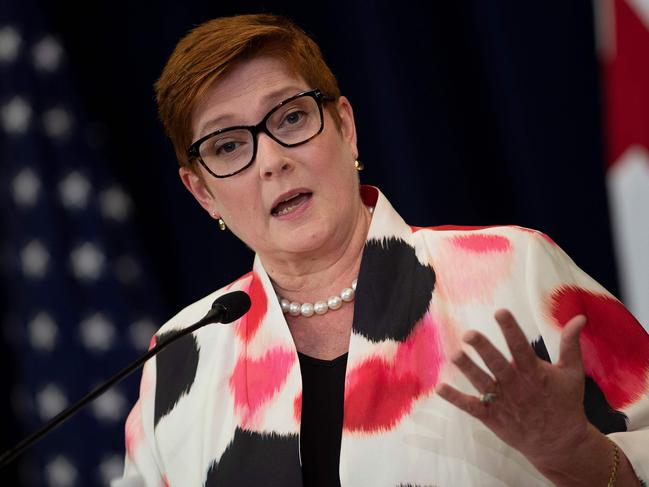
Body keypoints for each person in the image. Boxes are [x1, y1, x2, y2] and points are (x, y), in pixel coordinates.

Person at [118, 13, 649, 487]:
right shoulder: (181, 359)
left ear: (345, 128)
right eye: (228, 145)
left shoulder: (513, 269)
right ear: (203, 192)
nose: (271, 160)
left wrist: (576, 455)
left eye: (291, 117)